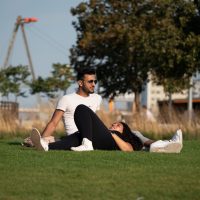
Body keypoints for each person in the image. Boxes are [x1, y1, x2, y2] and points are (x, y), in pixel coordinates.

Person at [30, 105, 183, 153]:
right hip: (100, 140)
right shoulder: (107, 131)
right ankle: (47, 146)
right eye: (113, 124)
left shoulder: (134, 136)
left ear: (126, 130)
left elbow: (128, 149)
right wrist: (50, 138)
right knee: (77, 137)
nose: (114, 125)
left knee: (82, 109)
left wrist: (113, 134)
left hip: (110, 142)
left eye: (118, 125)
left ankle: (87, 144)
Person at [23, 68, 102, 146]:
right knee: (49, 139)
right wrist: (41, 139)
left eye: (95, 81)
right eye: (90, 81)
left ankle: (39, 141)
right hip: (74, 137)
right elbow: (53, 123)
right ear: (80, 83)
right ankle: (38, 142)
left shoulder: (97, 98)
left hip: (91, 138)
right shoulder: (66, 99)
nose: (94, 84)